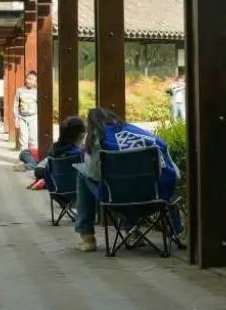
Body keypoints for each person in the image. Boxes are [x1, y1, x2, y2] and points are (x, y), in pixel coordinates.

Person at [73, 108, 183, 252]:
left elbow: (94, 174)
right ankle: (133, 232)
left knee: (83, 174)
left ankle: (87, 236)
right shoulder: (144, 135)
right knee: (133, 182)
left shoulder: (98, 138)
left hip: (117, 198)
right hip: (154, 197)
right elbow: (175, 173)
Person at [13, 70, 39, 150]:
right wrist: (16, 118)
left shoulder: (37, 92)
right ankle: (24, 155)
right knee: (23, 138)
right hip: (22, 117)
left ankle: (33, 155)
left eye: (32, 79)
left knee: (33, 139)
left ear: (35, 81)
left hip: (33, 117)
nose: (29, 81)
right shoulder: (20, 91)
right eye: (28, 78)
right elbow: (16, 104)